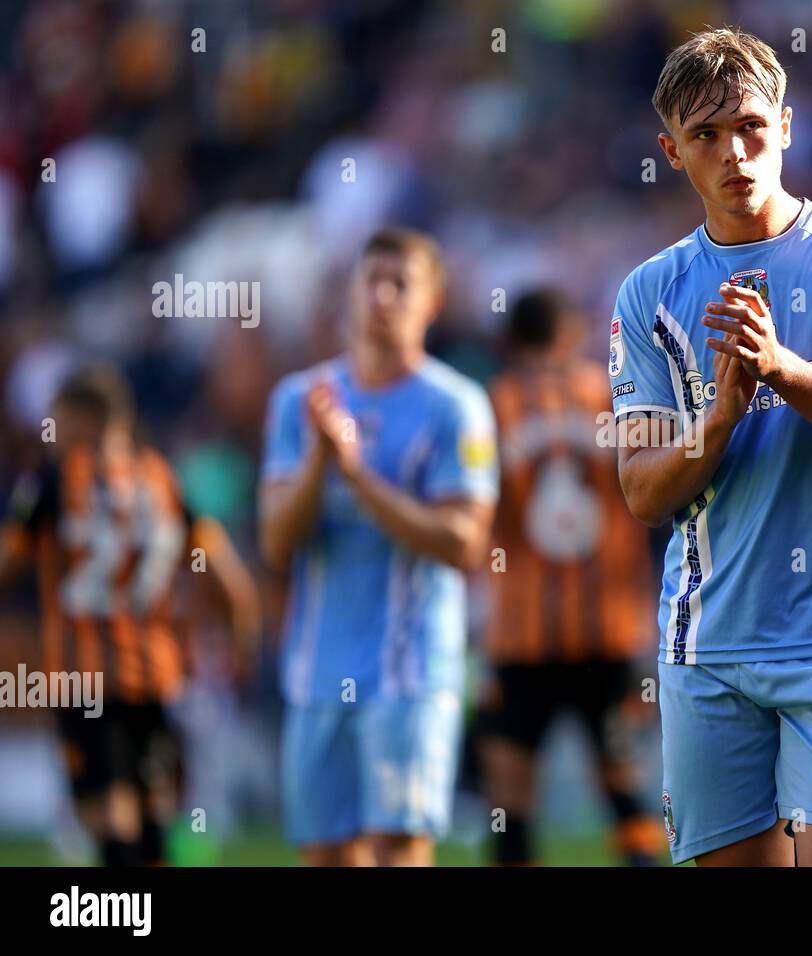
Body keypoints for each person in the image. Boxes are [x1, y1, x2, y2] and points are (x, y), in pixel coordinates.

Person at [610, 27, 812, 866]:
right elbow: (643, 493)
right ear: (671, 151)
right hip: (707, 649)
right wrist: (719, 419)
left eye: (752, 125)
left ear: (787, 126)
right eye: (706, 136)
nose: (735, 152)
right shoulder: (649, 293)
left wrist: (783, 369)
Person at [259, 227, 498, 866]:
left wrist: (358, 474)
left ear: (433, 302)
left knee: (397, 848)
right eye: (371, 280)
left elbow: (464, 543)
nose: (382, 296)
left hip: (411, 670)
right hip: (316, 670)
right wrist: (319, 460)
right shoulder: (299, 400)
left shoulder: (456, 405)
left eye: (401, 284)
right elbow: (278, 544)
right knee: (328, 854)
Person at [0, 363, 260, 866]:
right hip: (156, 678)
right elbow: (230, 583)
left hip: (85, 682)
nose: (51, 434)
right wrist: (242, 645)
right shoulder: (163, 479)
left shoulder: (55, 481)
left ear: (87, 419)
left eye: (59, 420)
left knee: (111, 827)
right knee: (153, 827)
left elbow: (7, 563)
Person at [476, 288, 660, 866]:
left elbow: (476, 512)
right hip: (608, 629)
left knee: (510, 797)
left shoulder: (492, 406)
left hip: (520, 634)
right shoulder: (610, 398)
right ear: (568, 333)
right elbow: (654, 495)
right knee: (622, 783)